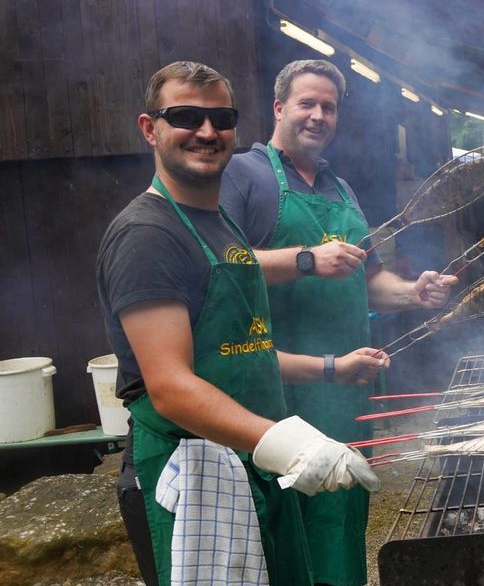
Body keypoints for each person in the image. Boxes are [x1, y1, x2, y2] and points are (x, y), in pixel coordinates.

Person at [97, 61, 387, 586]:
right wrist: (295, 446)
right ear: (150, 128)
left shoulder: (223, 228)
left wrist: (328, 370)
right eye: (186, 116)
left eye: (220, 117)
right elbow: (172, 387)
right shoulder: (147, 235)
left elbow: (242, 354)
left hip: (253, 463)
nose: (207, 132)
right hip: (192, 473)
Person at [219, 59, 456, 586]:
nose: (318, 115)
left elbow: (370, 280)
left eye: (329, 107)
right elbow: (218, 263)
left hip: (347, 393)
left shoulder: (340, 188)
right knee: (286, 532)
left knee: (342, 521)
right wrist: (306, 258)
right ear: (279, 108)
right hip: (281, 395)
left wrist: (414, 293)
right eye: (307, 103)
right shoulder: (244, 175)